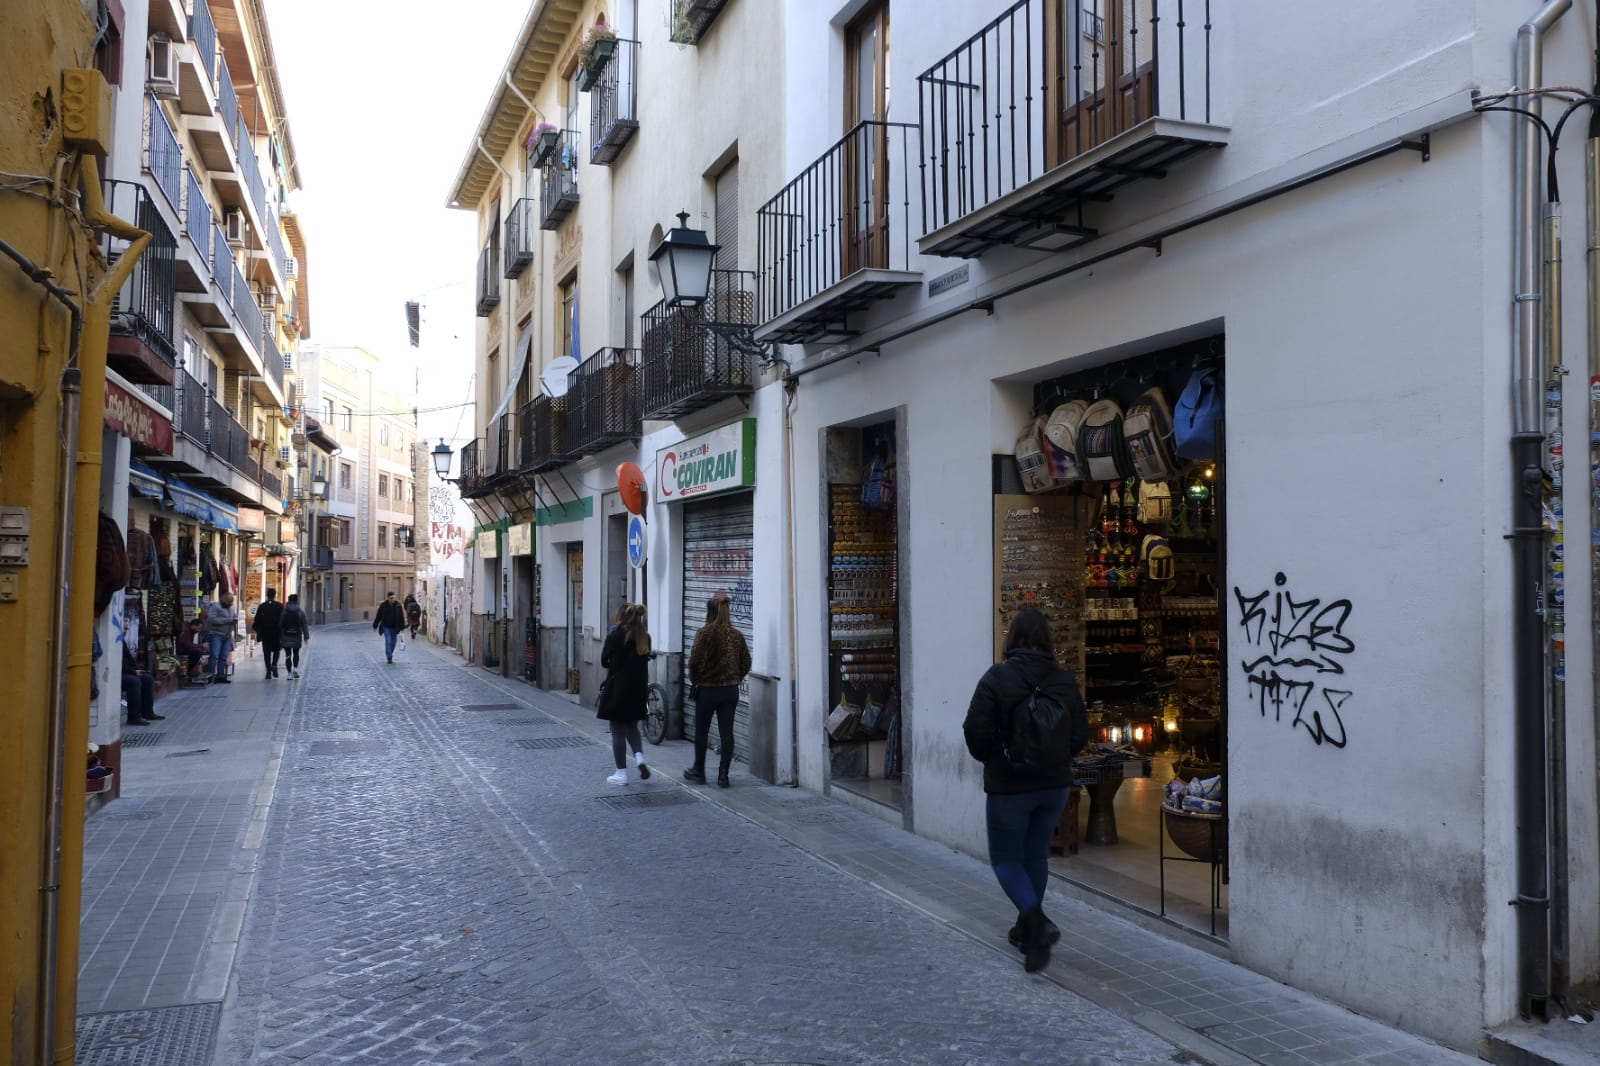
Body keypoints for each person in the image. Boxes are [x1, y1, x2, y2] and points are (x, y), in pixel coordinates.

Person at [961, 607, 1088, 973]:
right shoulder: (1064, 681)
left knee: (1005, 860)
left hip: (1010, 786)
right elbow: (1079, 734)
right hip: (1054, 787)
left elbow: (975, 732)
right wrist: (1055, 760)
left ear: (1011, 638)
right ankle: (1027, 933)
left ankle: (1035, 921)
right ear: (1047, 639)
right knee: (1035, 856)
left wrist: (996, 760)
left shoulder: (997, 679)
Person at [685, 590, 751, 788]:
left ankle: (699, 771)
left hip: (708, 690)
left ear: (709, 612)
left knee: (702, 731)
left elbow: (694, 662)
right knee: (727, 733)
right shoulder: (736, 635)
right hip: (730, 690)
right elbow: (746, 662)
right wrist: (736, 678)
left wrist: (696, 679)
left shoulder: (704, 633)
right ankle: (724, 776)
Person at [598, 603, 653, 784]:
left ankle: (621, 773)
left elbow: (604, 661)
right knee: (632, 727)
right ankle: (640, 759)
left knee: (617, 731)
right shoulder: (645, 637)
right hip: (638, 690)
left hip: (618, 689)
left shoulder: (615, 636)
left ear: (621, 617)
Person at [121, 640, 164, 724]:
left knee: (147, 679)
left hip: (127, 671)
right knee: (134, 681)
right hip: (117, 674)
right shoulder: (114, 640)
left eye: (126, 629)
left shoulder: (122, 641)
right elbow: (117, 663)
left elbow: (129, 658)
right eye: (124, 628)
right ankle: (133, 717)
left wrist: (136, 669)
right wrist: (133, 672)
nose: (125, 631)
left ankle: (147, 712)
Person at [204, 591, 237, 684]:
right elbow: (211, 619)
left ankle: (220, 676)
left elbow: (234, 616)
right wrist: (226, 620)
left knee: (223, 656)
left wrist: (235, 619)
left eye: (230, 603)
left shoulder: (232, 607)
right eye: (227, 603)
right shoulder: (215, 607)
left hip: (227, 635)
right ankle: (210, 676)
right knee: (214, 656)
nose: (229, 605)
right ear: (222, 599)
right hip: (216, 634)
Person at [253, 587, 284, 679]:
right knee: (276, 650)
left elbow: (257, 619)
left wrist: (258, 630)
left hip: (265, 633)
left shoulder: (262, 606)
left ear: (267, 595)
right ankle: (274, 664)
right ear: (275, 595)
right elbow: (282, 620)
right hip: (276, 633)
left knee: (266, 652)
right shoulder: (279, 606)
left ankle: (268, 671)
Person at [280, 593, 309, 679]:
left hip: (286, 636)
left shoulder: (284, 612)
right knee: (296, 654)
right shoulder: (300, 612)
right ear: (297, 601)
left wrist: (280, 636)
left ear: (288, 601)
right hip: (297, 636)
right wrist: (306, 636)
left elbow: (280, 624)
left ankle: (289, 673)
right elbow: (304, 624)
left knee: (288, 655)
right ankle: (295, 670)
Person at [373, 591, 407, 663]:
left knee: (393, 642)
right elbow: (378, 616)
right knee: (388, 641)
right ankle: (389, 657)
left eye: (394, 598)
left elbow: (402, 617)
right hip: (386, 627)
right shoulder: (383, 605)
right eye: (391, 598)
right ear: (388, 598)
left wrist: (402, 627)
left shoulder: (398, 605)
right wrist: (375, 625)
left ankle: (390, 653)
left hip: (395, 627)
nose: (393, 599)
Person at [177, 616, 208, 682]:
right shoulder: (186, 631)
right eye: (199, 628)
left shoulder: (191, 631)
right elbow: (188, 645)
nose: (199, 630)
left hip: (185, 648)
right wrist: (201, 645)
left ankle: (190, 670)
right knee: (197, 652)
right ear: (193, 626)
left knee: (198, 650)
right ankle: (189, 670)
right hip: (181, 650)